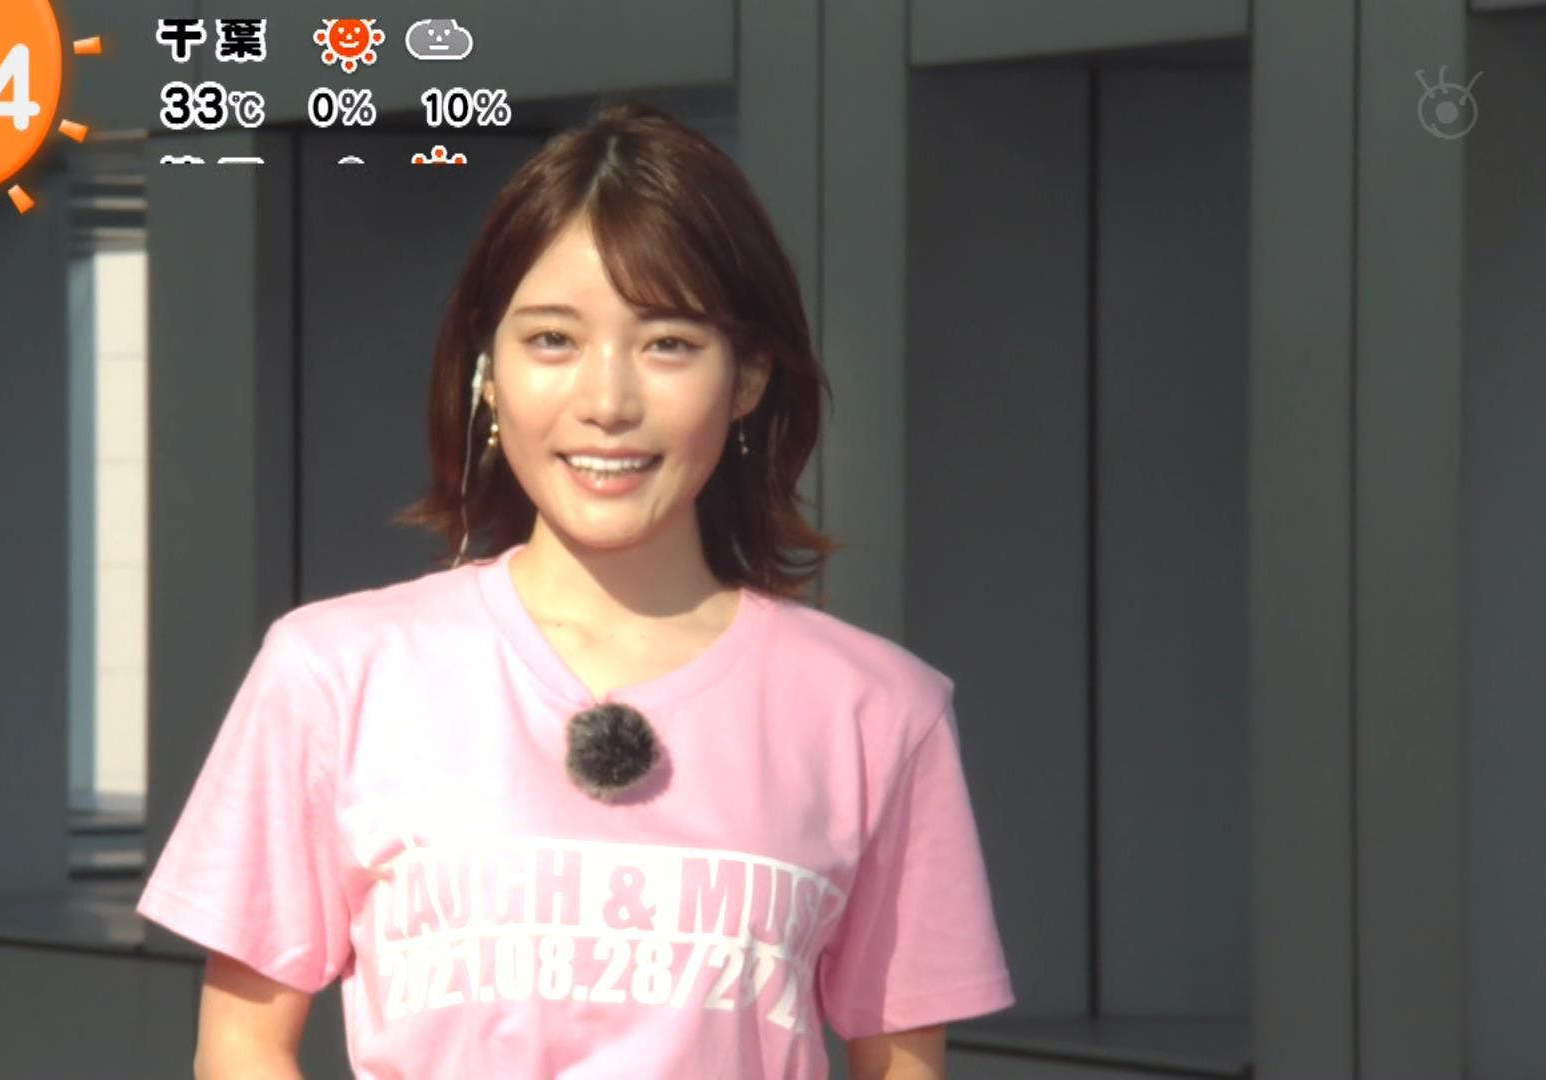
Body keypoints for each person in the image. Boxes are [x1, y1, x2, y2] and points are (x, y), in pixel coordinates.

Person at [136, 101, 1014, 1079]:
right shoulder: (334, 673)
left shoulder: (879, 713)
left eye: (668, 343)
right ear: (487, 368)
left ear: (749, 377)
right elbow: (243, 1046)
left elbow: (903, 1066)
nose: (607, 403)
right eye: (553, 339)